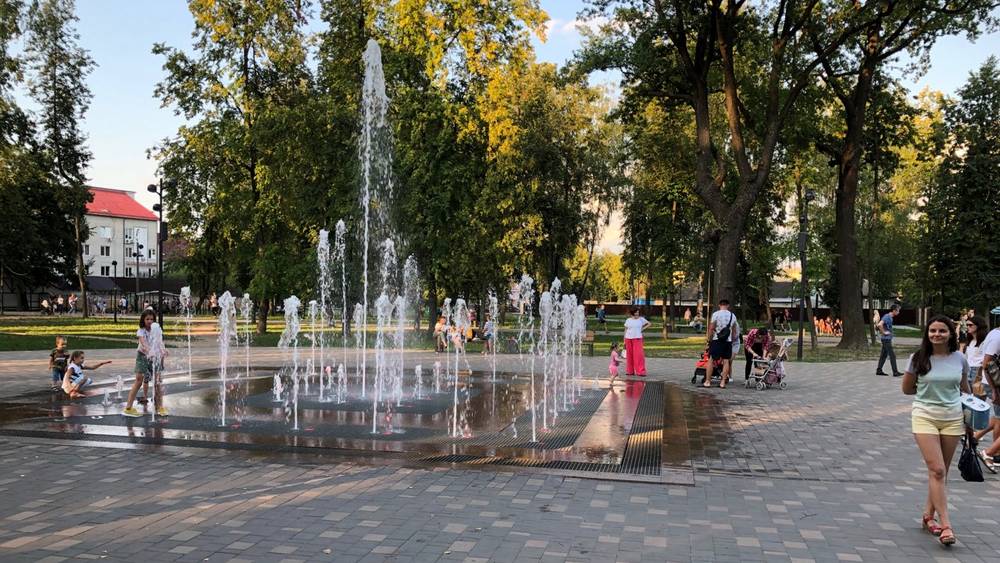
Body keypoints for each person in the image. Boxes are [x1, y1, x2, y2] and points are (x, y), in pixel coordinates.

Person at [901, 316, 968, 546]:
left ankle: (928, 515)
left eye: (942, 331)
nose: (936, 334)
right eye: (932, 331)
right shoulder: (918, 358)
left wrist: (970, 417)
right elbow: (907, 389)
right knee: (937, 469)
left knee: (940, 473)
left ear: (951, 333)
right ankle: (946, 525)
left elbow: (964, 389)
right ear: (927, 333)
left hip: (953, 419)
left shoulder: (960, 358)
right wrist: (929, 396)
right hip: (924, 417)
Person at [122, 311, 167, 417]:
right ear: (143, 320)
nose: (150, 321)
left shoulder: (156, 329)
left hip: (154, 357)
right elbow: (143, 343)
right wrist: (149, 351)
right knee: (139, 380)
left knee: (157, 382)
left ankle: (160, 406)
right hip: (142, 356)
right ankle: (128, 408)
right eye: (147, 319)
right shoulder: (141, 331)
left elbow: (160, 342)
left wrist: (163, 350)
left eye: (152, 319)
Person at [974, 321, 1000, 470]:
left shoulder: (994, 333)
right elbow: (986, 364)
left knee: (997, 418)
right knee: (999, 418)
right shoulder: (997, 337)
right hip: (996, 384)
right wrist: (994, 389)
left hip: (995, 383)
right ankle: (991, 453)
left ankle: (974, 438)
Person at [705, 299, 739, 388]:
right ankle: (723, 382)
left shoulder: (716, 314)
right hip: (727, 341)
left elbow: (711, 328)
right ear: (728, 305)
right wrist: (732, 339)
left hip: (717, 340)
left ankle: (708, 381)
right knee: (726, 361)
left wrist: (709, 339)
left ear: (719, 305)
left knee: (711, 359)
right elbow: (734, 332)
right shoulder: (733, 315)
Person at [622, 307, 650, 377]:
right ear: (632, 313)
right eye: (636, 312)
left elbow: (649, 324)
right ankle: (630, 371)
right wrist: (624, 339)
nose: (637, 313)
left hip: (637, 339)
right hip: (628, 339)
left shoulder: (641, 319)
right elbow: (625, 330)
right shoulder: (628, 320)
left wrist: (642, 329)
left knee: (639, 356)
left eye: (638, 312)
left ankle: (640, 371)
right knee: (629, 355)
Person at [876, 304, 902, 376]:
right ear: (894, 310)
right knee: (892, 355)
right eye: (898, 311)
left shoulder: (890, 317)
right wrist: (884, 332)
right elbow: (879, 325)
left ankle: (879, 370)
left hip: (886, 339)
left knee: (883, 355)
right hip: (886, 340)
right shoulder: (887, 317)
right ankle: (895, 372)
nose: (898, 312)